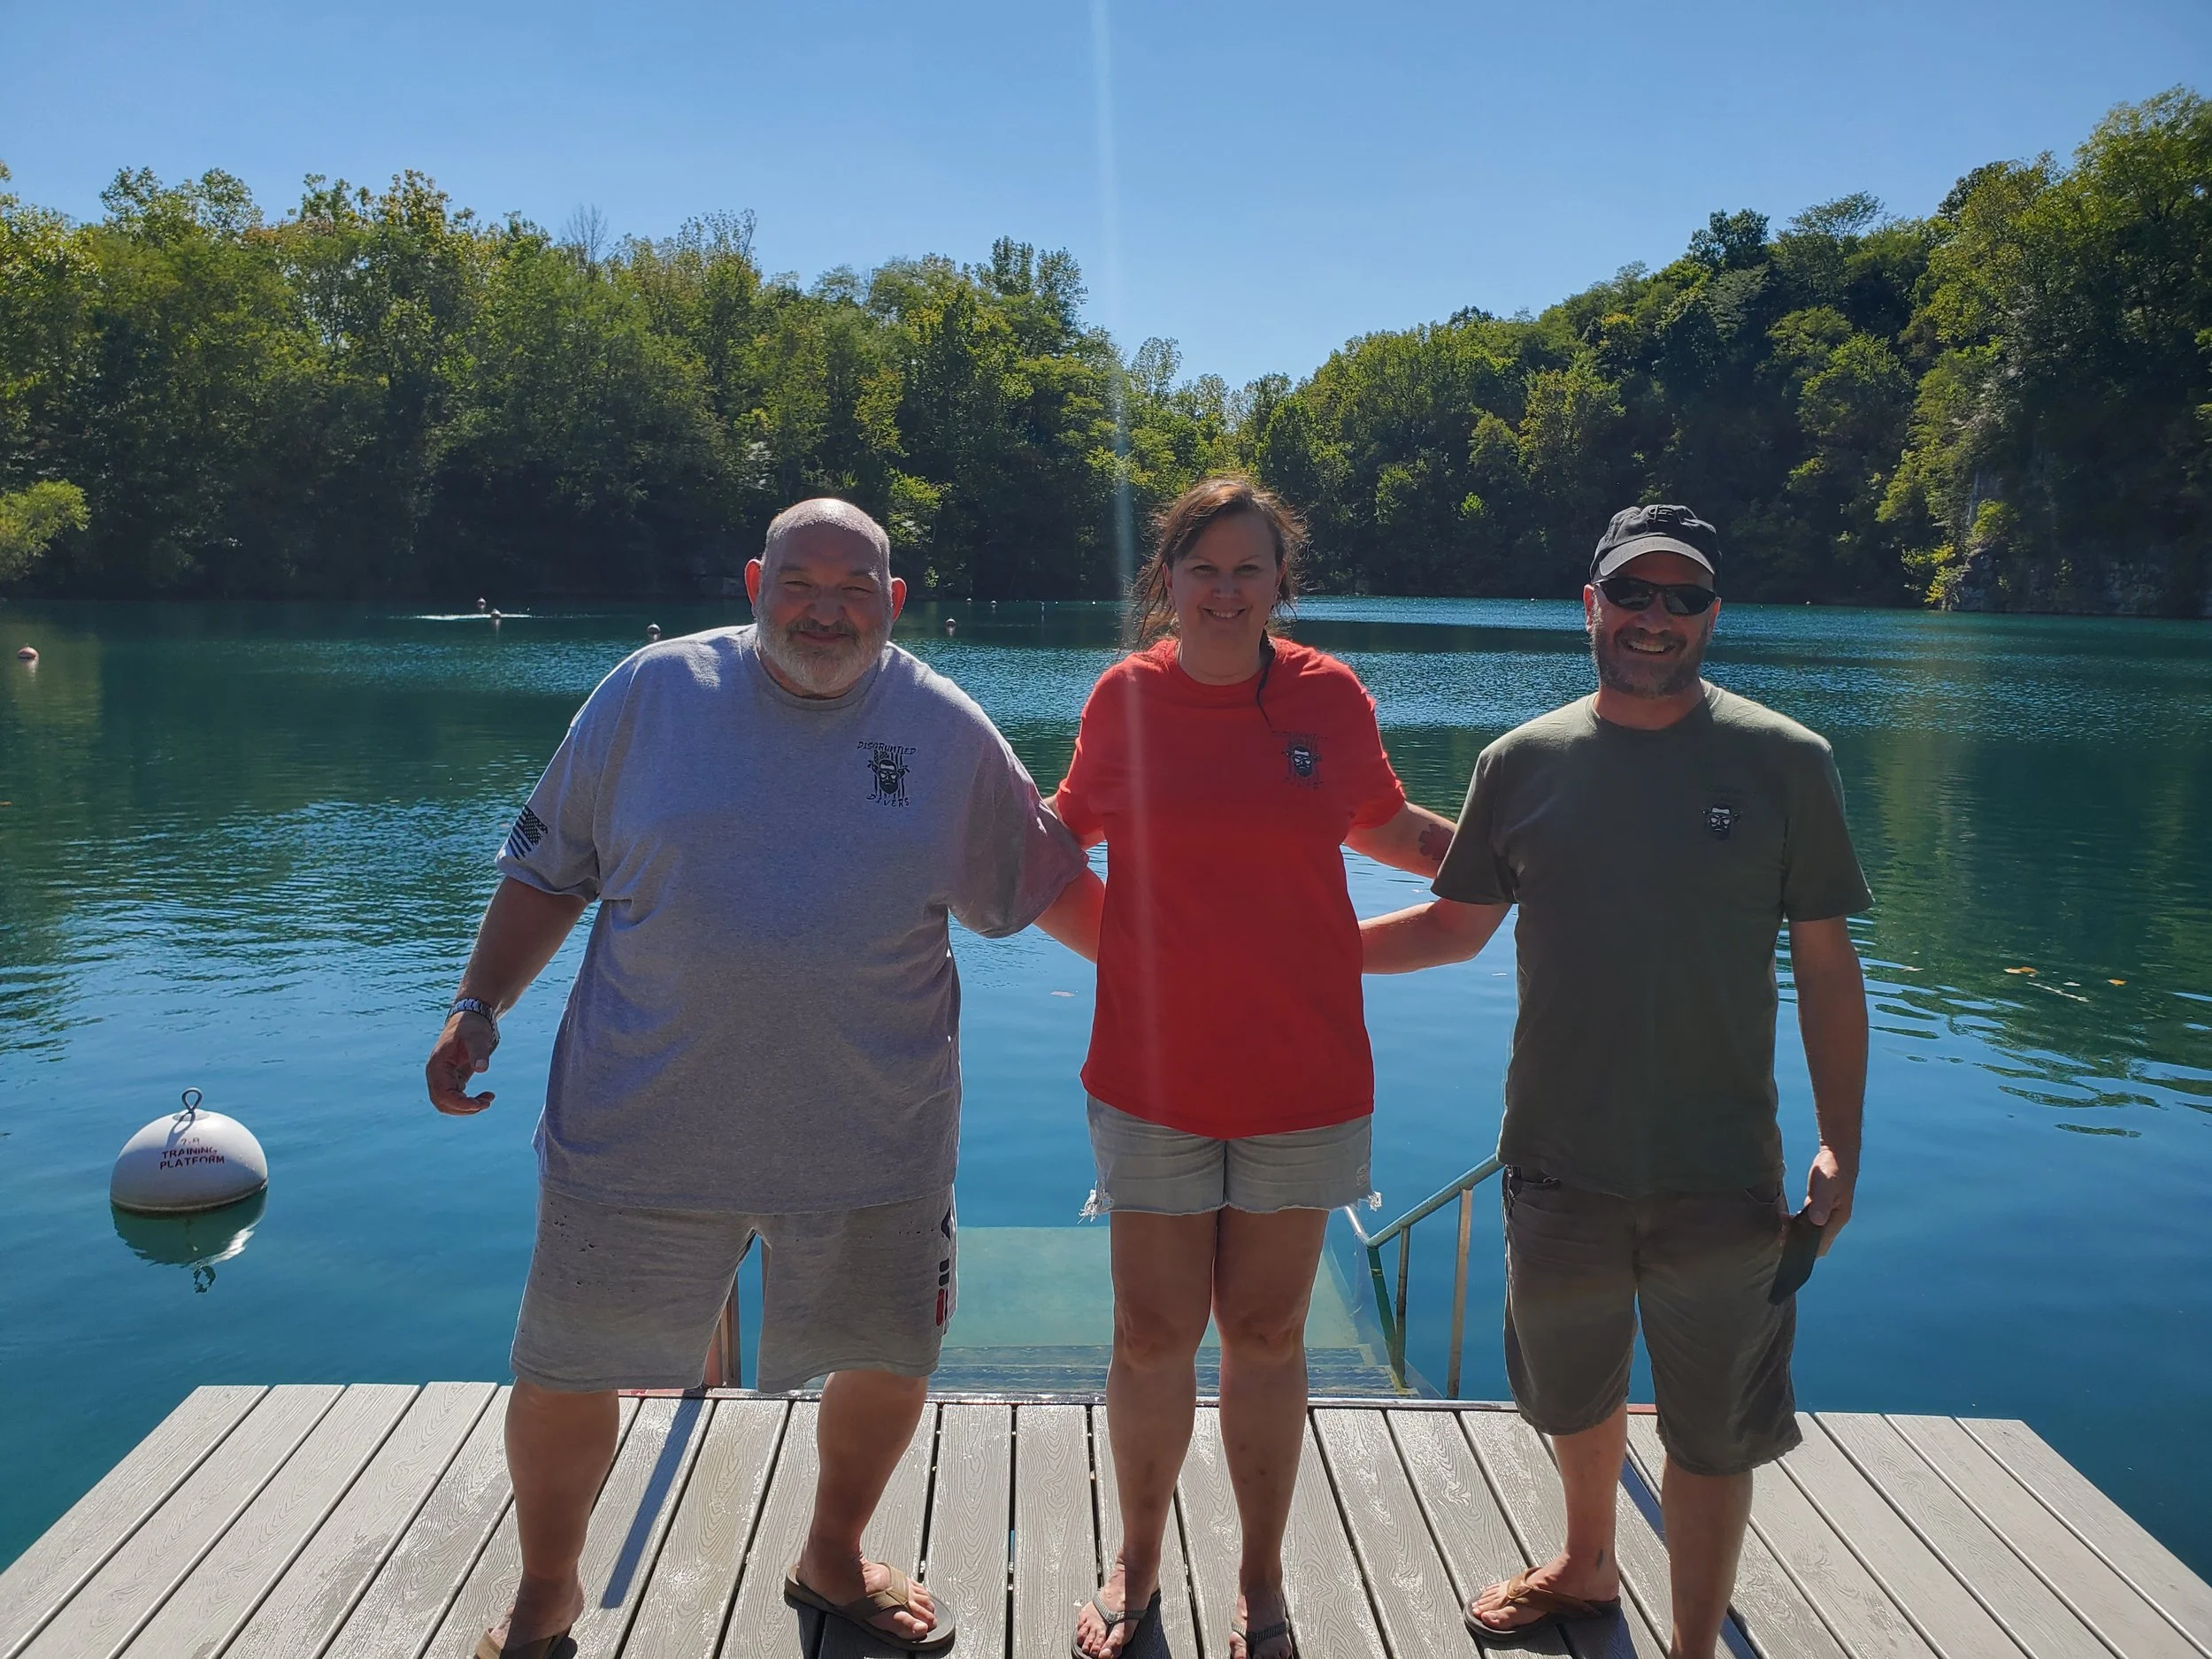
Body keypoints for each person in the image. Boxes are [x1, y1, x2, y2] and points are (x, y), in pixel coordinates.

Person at [424, 497, 1096, 1659]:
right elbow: (548, 873)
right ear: (754, 582)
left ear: (893, 602)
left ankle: (832, 1555)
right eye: (801, 581)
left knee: (889, 1357)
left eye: (854, 588)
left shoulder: (945, 728)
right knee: (562, 1370)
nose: (824, 609)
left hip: (874, 1136)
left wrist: (1208, 977)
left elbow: (1050, 892)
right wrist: (478, 1006)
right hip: (637, 1129)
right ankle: (546, 1589)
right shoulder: (646, 696)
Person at [1362, 504, 1870, 1659]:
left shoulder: (1788, 761)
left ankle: (1690, 1645)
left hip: (1723, 1178)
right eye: (1631, 593)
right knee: (1571, 1392)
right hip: (1557, 1164)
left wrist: (1842, 1139)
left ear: (1712, 617)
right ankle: (1587, 1565)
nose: (1654, 617)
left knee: (1713, 1434)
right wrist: (1311, 950)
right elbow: (1453, 928)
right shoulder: (1520, 763)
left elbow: (1831, 969)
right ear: (1589, 605)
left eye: (1680, 598)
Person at [1054, 478, 1458, 1659]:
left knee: (1269, 1333)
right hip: (1150, 1076)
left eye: (1250, 569)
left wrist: (1517, 852)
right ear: (1165, 582)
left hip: (1301, 1076)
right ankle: (1136, 1564)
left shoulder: (1327, 698)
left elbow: (1386, 825)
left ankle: (1262, 1583)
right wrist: (1128, 953)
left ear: (1283, 581)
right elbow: (1050, 842)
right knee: (1149, 1333)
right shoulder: (1125, 697)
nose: (1226, 591)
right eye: (1203, 568)